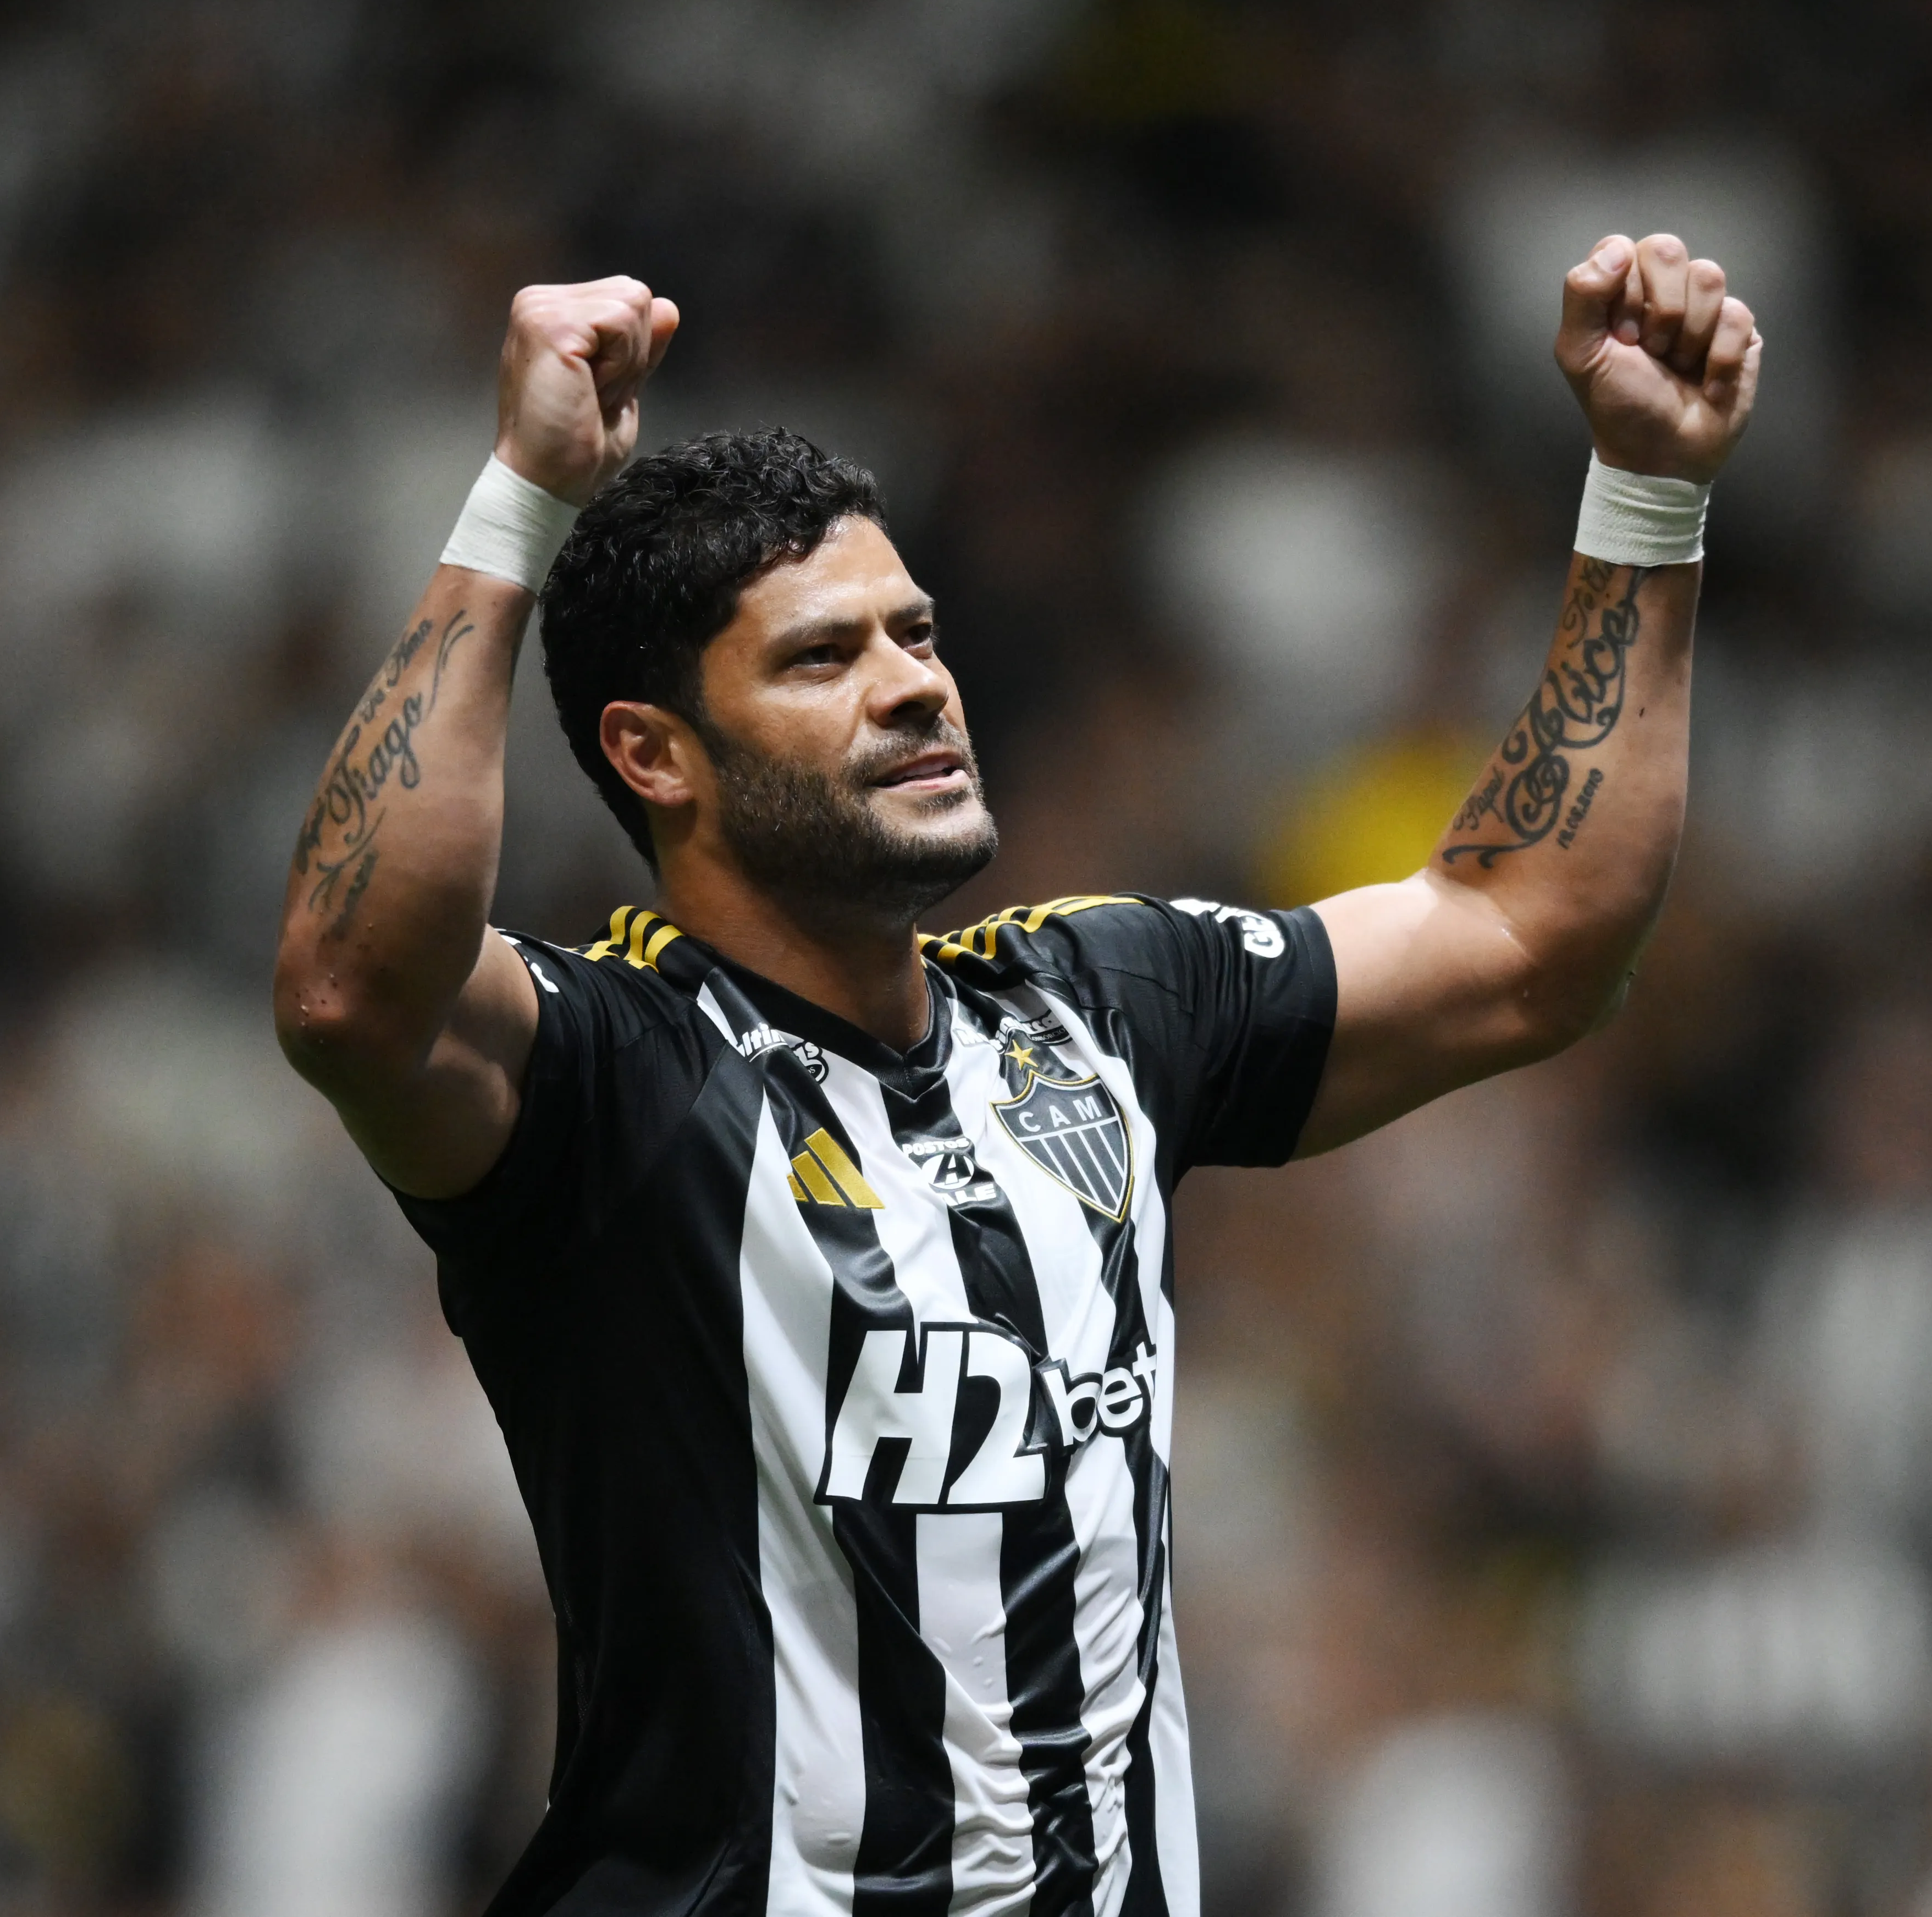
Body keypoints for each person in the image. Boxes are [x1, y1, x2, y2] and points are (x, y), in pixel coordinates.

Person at [273, 235, 1760, 1915]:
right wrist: (521, 500)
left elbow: (1529, 938)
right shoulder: (616, 1074)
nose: (915, 682)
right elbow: (347, 988)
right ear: (651, 754)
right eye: (824, 658)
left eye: (916, 631)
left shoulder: (1100, 1006)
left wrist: (1644, 491)